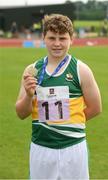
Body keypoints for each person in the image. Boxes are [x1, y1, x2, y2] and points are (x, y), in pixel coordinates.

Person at [15, 14, 102, 180]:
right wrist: (28, 96)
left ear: (72, 39)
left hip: (73, 149)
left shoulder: (81, 70)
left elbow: (96, 108)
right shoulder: (32, 70)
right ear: (43, 38)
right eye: (52, 38)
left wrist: (69, 124)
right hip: (41, 148)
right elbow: (21, 113)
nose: (57, 43)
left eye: (62, 38)